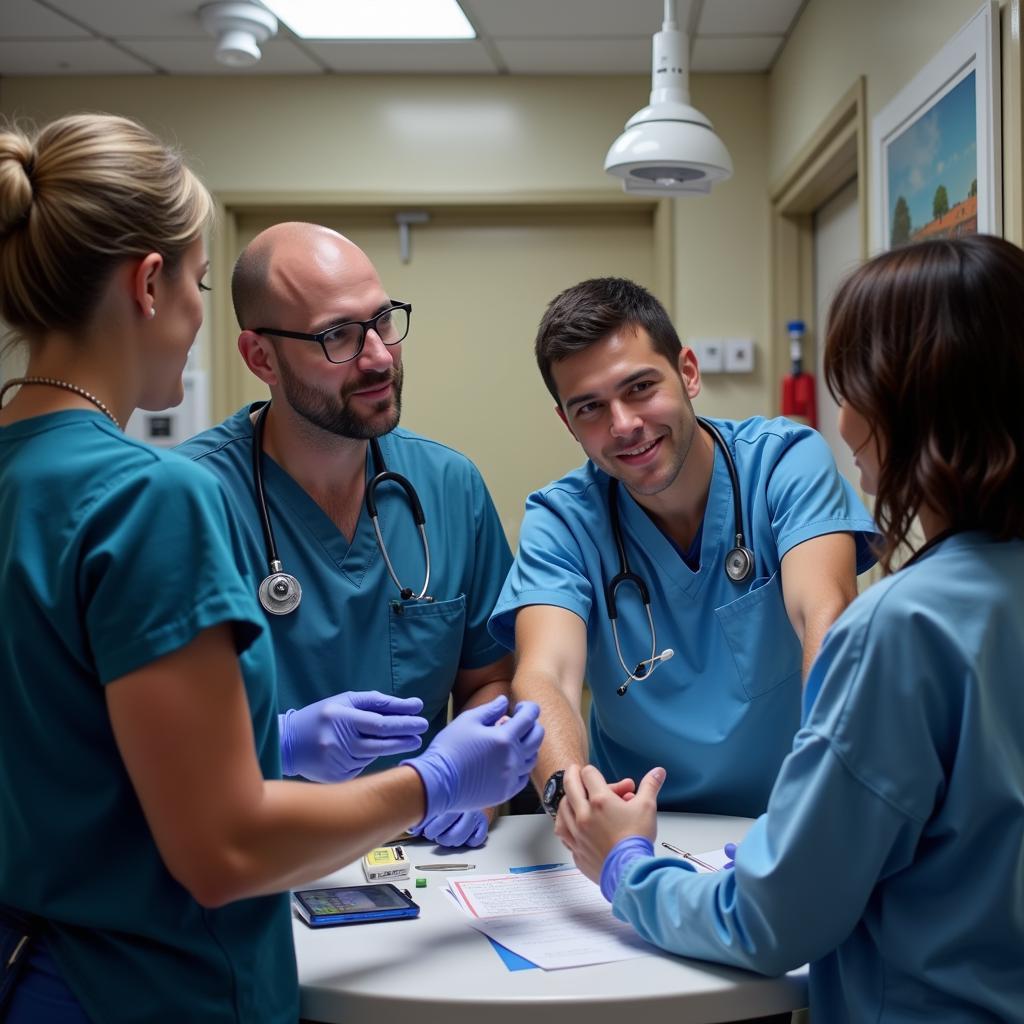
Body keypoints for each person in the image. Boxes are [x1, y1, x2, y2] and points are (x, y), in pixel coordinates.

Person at [0, 113, 542, 1024]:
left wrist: (277, 744)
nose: (374, 355)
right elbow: (224, 849)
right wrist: (432, 781)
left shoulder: (24, 470)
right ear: (148, 283)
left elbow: (73, 742)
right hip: (149, 982)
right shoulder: (155, 494)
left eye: (383, 325)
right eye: (201, 280)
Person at [553, 235, 1024, 1021]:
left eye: (854, 389)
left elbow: (768, 922)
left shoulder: (900, 629)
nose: (842, 423)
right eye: (589, 408)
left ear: (909, 405)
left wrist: (625, 865)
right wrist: (809, 839)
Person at [175, 222, 516, 848]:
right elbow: (149, 733)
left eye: (383, 320)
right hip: (253, 865)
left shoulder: (450, 487)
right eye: (338, 336)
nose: (379, 356)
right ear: (260, 358)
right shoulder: (185, 500)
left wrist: (474, 792)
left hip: (425, 863)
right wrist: (279, 743)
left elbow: (490, 679)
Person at [488, 277, 876, 819]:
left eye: (640, 387)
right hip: (640, 827)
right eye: (590, 408)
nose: (624, 425)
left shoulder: (785, 463)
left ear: (687, 373)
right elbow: (544, 674)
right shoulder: (564, 519)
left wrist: (831, 785)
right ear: (567, 423)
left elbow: (826, 615)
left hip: (791, 815)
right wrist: (569, 796)